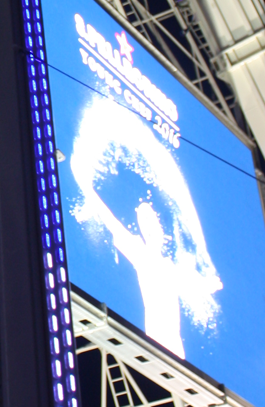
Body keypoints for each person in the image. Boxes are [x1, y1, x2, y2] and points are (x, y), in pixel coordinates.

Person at [70, 98, 222, 357]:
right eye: (144, 221)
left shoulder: (171, 268)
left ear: (162, 229)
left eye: (152, 220)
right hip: (157, 342)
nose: (150, 226)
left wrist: (209, 285)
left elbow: (201, 285)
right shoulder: (142, 256)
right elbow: (112, 223)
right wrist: (88, 191)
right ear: (140, 228)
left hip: (175, 349)